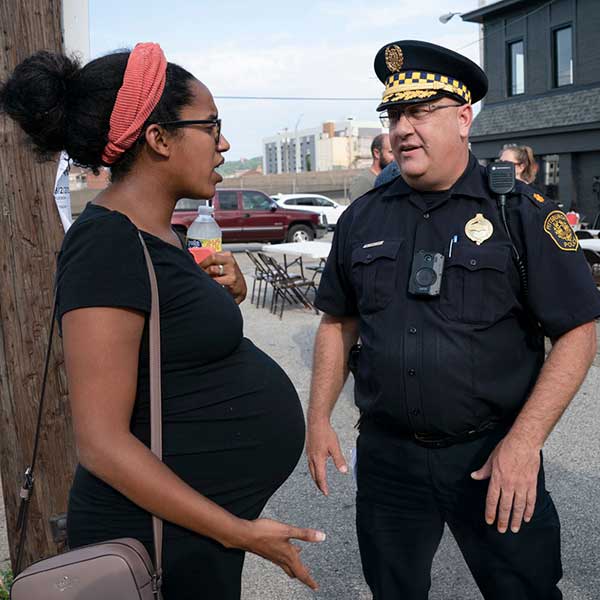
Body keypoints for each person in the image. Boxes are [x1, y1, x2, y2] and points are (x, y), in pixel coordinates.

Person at [0, 44, 325, 599]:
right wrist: (240, 533)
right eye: (212, 126)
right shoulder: (105, 243)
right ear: (158, 138)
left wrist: (228, 295)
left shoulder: (163, 235)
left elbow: (175, 344)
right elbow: (100, 443)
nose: (224, 144)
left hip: (192, 531)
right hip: (154, 540)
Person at [306, 39, 600, 600]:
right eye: (394, 114)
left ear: (464, 118)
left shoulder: (521, 214)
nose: (403, 128)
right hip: (389, 457)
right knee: (393, 589)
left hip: (492, 453)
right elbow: (336, 323)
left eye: (420, 111)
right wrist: (318, 416)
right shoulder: (363, 216)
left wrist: (526, 442)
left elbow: (578, 331)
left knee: (524, 588)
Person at [348, 132, 393, 201]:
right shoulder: (362, 182)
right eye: (391, 152)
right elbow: (358, 210)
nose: (396, 157)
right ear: (377, 153)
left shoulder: (393, 179)